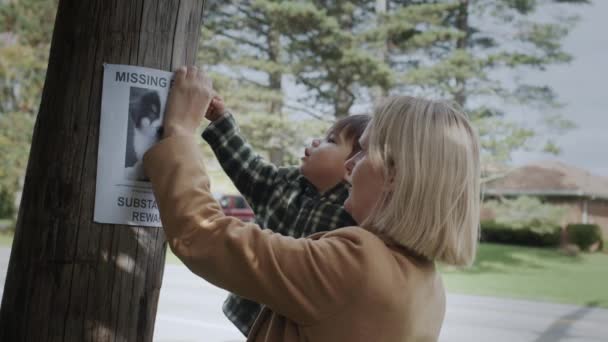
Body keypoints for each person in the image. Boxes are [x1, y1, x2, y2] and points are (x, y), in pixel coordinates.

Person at [143, 66, 481, 342]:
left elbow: (205, 238)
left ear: (394, 173)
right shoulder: (428, 285)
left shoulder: (358, 265)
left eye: (363, 152)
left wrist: (180, 134)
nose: (350, 166)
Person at [201, 95, 370, 336]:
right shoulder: (288, 183)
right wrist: (220, 120)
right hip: (255, 317)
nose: (315, 142)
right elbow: (249, 170)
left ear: (352, 165)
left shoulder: (355, 211)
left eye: (330, 141)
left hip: (304, 328)